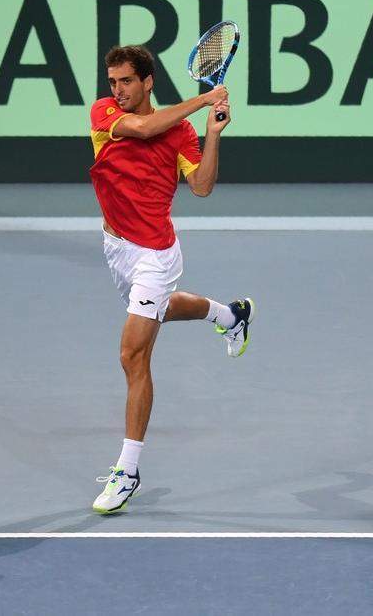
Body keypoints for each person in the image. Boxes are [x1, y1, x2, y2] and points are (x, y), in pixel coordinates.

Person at [89, 45, 255, 514]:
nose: (117, 91)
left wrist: (212, 133)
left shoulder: (180, 132)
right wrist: (203, 100)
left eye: (126, 82)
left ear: (148, 83)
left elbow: (201, 187)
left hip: (156, 256)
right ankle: (230, 315)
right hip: (116, 248)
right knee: (161, 309)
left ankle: (128, 470)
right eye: (113, 81)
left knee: (132, 354)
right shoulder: (105, 114)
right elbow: (142, 127)